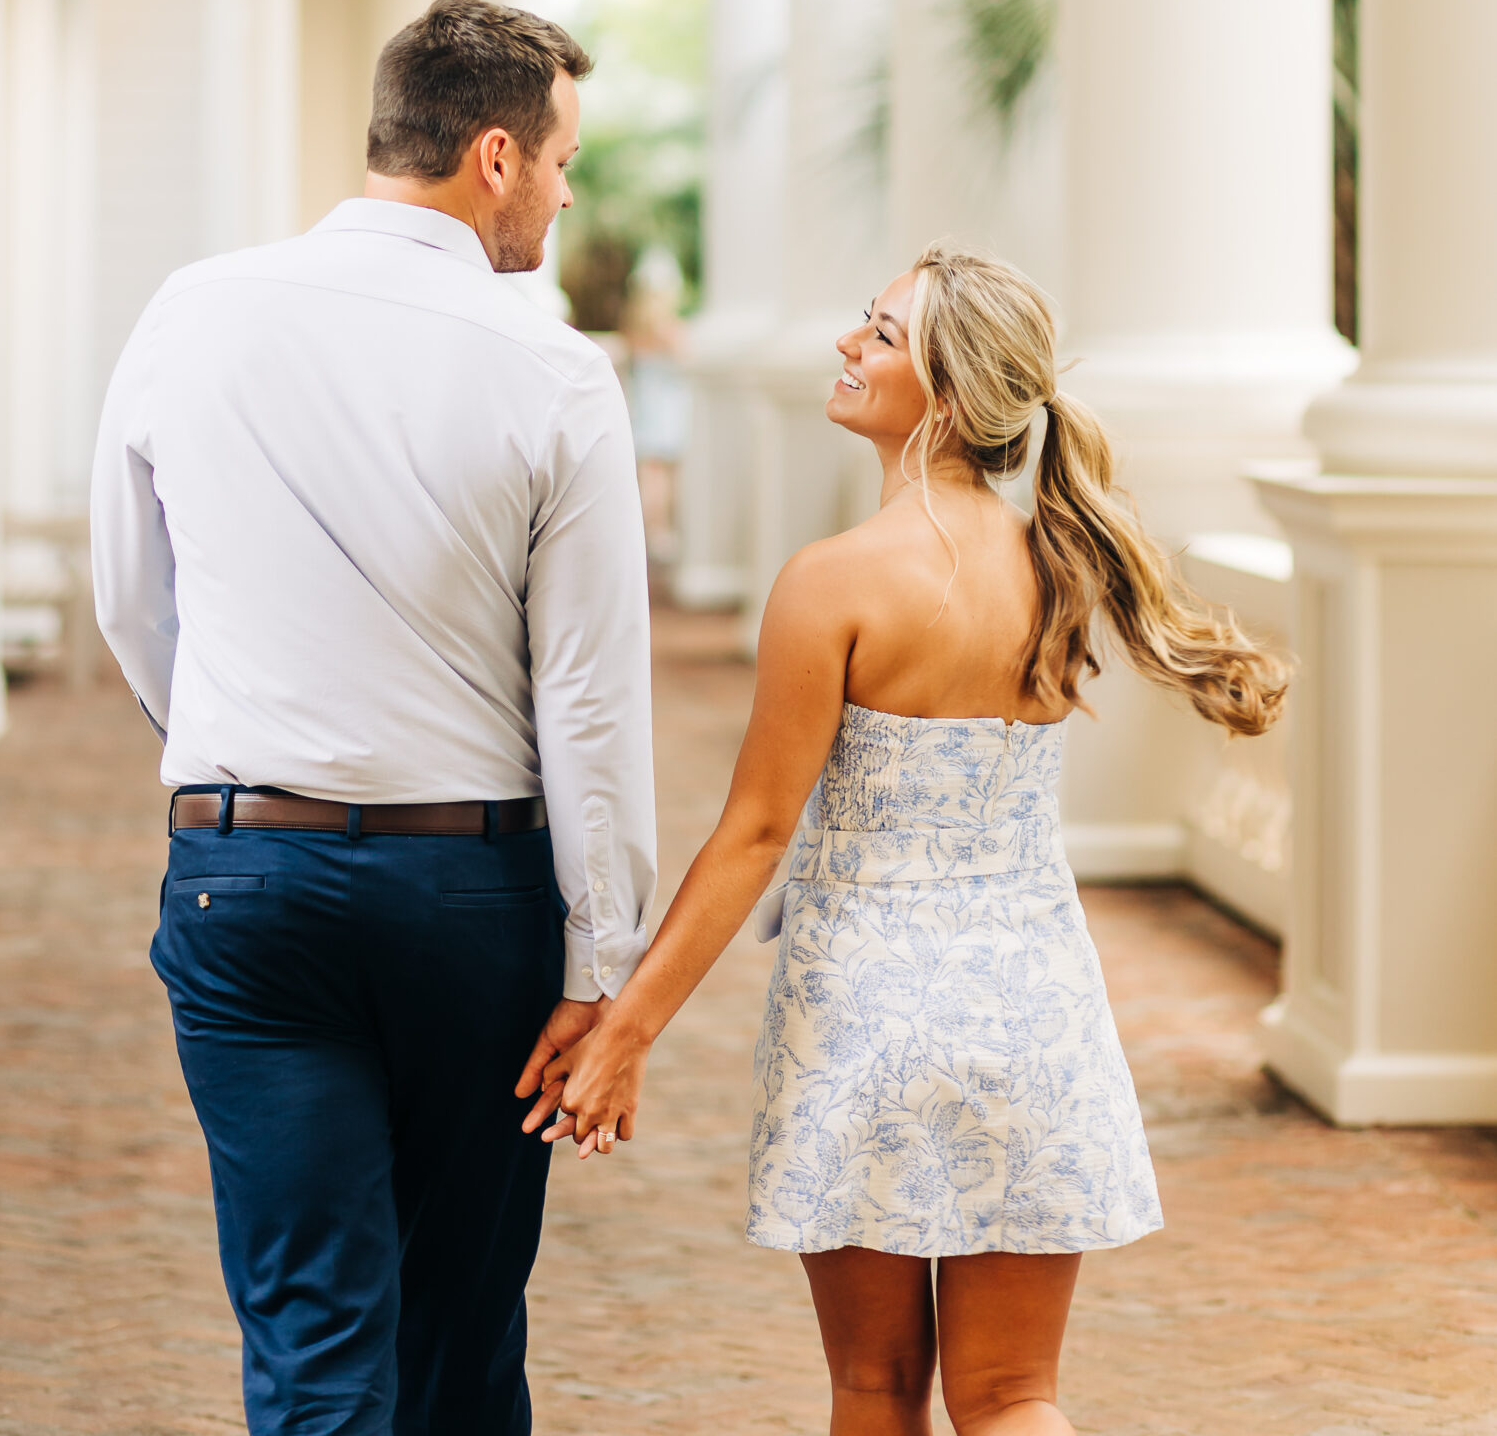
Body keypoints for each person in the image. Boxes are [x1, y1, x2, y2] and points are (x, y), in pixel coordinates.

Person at [520, 243, 1287, 1436]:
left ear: (951, 386)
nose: (846, 344)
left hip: (865, 1019)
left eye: (879, 334)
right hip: (1035, 1014)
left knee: (875, 1390)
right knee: (1016, 1397)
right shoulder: (1065, 564)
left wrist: (626, 1028)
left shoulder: (833, 583)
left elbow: (757, 830)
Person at [91, 0, 656, 1436]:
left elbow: (129, 598)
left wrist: (242, 753)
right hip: (466, 895)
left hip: (243, 881)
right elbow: (587, 697)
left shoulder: (192, 309)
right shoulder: (553, 372)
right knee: (460, 1333)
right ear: (490, 155)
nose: (566, 186)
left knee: (308, 1332)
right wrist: (602, 966)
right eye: (558, 156)